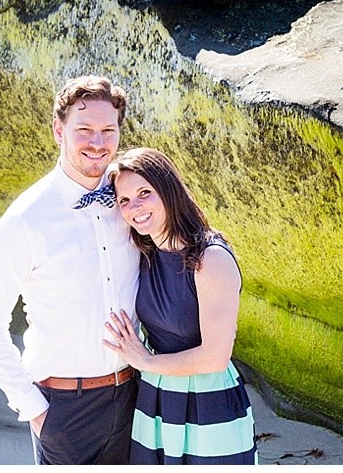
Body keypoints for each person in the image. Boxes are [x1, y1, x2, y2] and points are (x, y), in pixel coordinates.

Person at [0, 75, 140, 465]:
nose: (97, 143)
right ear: (58, 130)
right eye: (84, 130)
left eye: (107, 130)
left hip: (136, 396)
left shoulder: (130, 203)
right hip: (65, 410)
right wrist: (35, 410)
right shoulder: (24, 221)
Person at [103, 147, 257, 465]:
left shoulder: (210, 258)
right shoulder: (145, 252)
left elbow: (215, 357)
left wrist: (144, 360)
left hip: (208, 399)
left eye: (145, 192)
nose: (136, 207)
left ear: (168, 189)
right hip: (156, 398)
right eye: (125, 201)